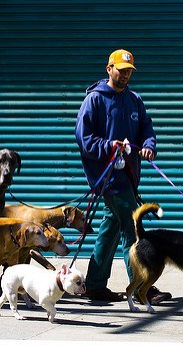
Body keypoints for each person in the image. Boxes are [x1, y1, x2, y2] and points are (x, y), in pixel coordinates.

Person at [74, 49, 172, 304]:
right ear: (109, 69)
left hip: (129, 176)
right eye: (121, 70)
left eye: (129, 71)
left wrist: (149, 144)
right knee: (133, 227)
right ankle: (142, 288)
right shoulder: (94, 101)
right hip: (107, 178)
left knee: (110, 229)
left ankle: (94, 285)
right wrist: (108, 145)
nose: (126, 75)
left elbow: (145, 128)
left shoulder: (134, 100)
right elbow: (84, 140)